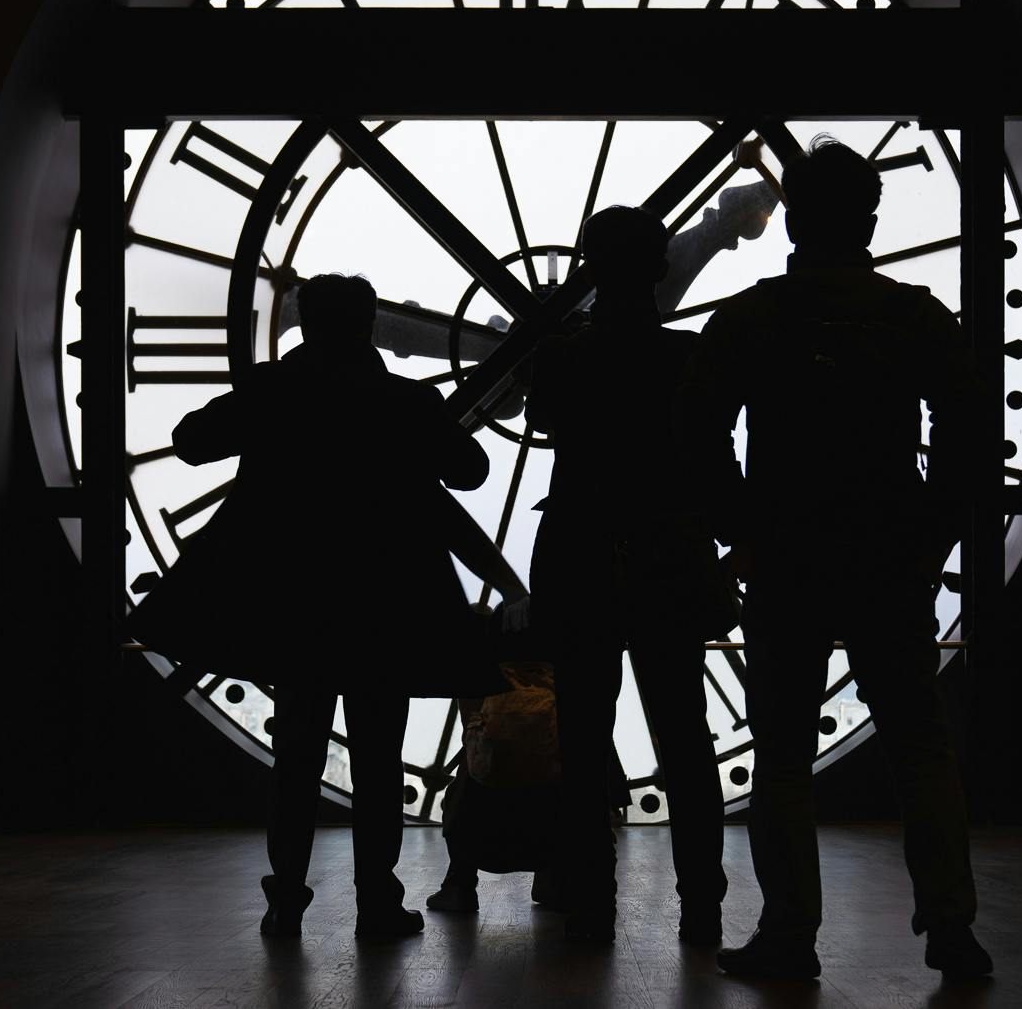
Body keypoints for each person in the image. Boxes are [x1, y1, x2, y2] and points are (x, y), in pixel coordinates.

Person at [680, 138, 994, 981]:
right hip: (889, 558)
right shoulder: (915, 318)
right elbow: (967, 441)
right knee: (918, 742)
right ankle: (951, 925)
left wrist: (741, 530)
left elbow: (701, 442)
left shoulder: (749, 320)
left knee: (780, 751)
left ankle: (789, 932)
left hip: (786, 561)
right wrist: (931, 537)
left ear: (795, 217)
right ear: (869, 218)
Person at [135, 273, 494, 940]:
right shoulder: (405, 402)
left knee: (297, 753)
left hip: (294, 606)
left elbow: (191, 441)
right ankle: (377, 899)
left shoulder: (276, 393)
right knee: (378, 759)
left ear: (306, 322)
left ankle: (286, 896)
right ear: (368, 325)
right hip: (384, 606)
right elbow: (468, 471)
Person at [525, 205, 733, 946]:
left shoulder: (558, 357)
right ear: (658, 270)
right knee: (685, 733)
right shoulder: (687, 356)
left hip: (580, 557)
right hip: (668, 559)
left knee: (583, 738)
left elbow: (546, 416)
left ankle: (591, 899)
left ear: (588, 267)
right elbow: (711, 463)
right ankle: (702, 903)